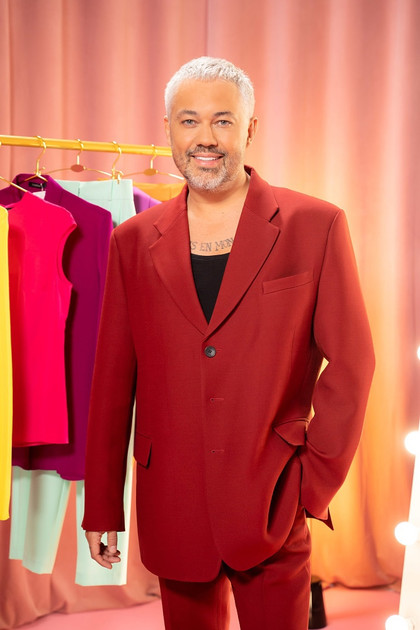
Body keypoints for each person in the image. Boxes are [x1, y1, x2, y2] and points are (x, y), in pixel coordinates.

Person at [83, 57, 375, 630]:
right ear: (168, 129)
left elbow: (352, 364)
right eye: (189, 121)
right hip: (172, 500)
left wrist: (310, 483)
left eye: (223, 120)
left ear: (250, 128)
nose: (206, 138)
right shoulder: (131, 241)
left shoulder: (315, 224)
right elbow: (112, 382)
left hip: (271, 497)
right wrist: (101, 507)